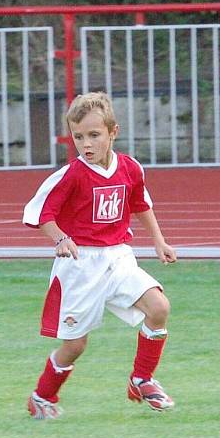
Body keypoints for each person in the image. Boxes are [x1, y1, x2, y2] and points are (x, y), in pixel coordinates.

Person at [21, 91, 177, 419]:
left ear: (112, 132)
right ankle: (41, 396)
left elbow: (141, 204)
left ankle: (142, 379)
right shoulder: (72, 175)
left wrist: (159, 242)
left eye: (94, 135)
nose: (86, 144)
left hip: (119, 258)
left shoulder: (130, 169)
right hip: (80, 266)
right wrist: (61, 238)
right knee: (75, 346)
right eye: (78, 137)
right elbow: (40, 214)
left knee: (159, 307)